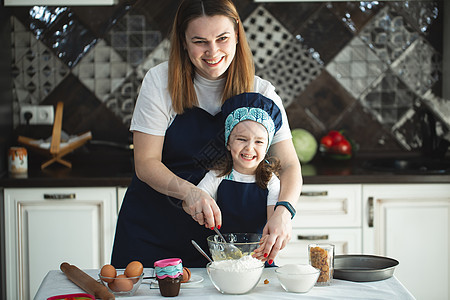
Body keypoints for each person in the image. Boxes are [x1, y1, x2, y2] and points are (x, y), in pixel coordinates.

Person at [111, 0, 302, 268]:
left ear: (237, 35)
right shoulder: (159, 82)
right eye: (200, 41)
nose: (213, 51)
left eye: (222, 38)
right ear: (184, 42)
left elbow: (291, 164)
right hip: (155, 233)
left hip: (233, 242)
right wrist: (190, 192)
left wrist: (284, 211)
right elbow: (145, 163)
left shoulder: (262, 94)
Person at [196, 92, 282, 238]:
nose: (249, 148)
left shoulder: (271, 181)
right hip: (222, 255)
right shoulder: (216, 176)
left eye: (259, 142)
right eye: (242, 139)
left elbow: (272, 223)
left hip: (259, 255)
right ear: (228, 143)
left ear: (267, 147)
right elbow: (195, 199)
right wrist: (199, 209)